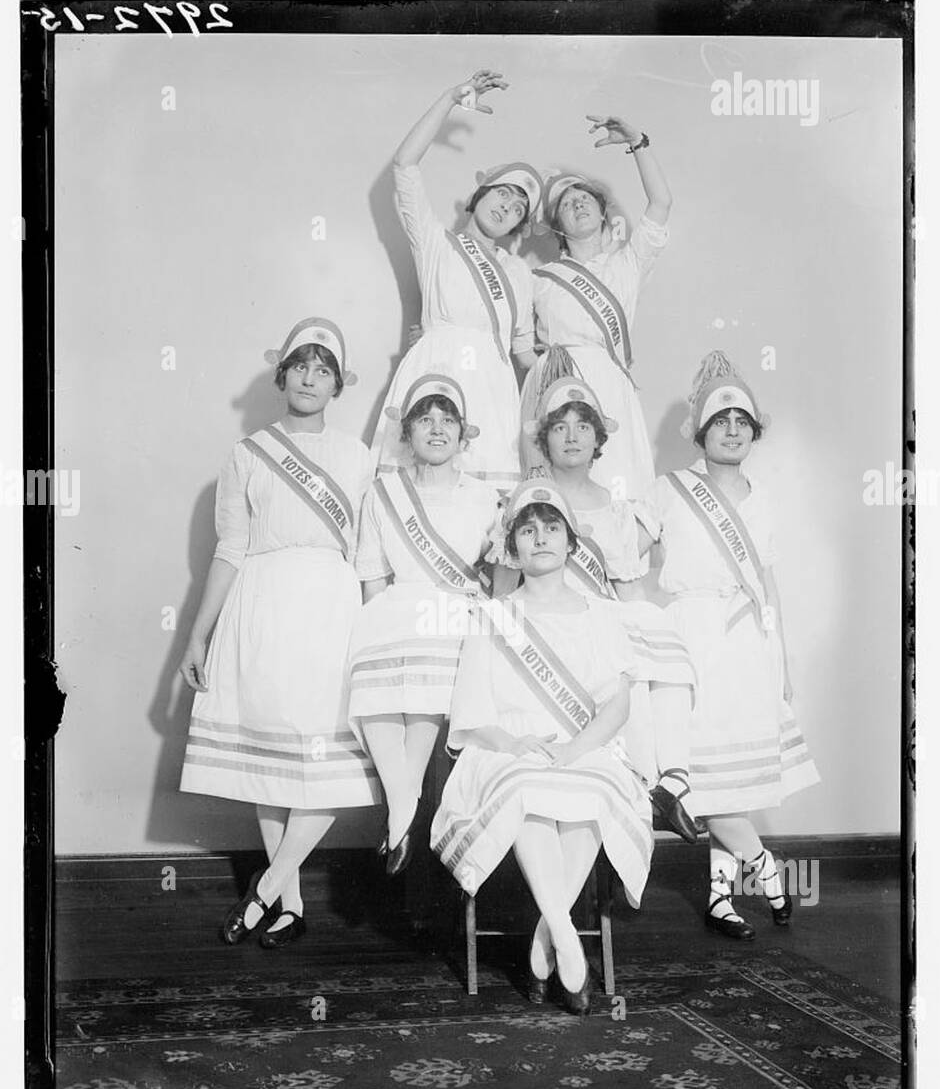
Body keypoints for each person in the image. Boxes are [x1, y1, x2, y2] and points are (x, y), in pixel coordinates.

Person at [431, 481, 675, 1016]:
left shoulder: (602, 614)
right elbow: (472, 714)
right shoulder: (491, 616)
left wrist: (575, 749)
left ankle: (547, 936)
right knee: (526, 787)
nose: (540, 537)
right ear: (511, 548)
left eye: (552, 527)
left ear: (571, 543)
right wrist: (514, 742)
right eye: (527, 528)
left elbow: (617, 704)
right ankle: (567, 940)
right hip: (508, 749)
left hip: (586, 746)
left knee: (595, 788)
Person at [179, 317, 381, 947]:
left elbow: (370, 555)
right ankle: (289, 902)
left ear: (337, 384)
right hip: (261, 604)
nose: (310, 379)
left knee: (326, 757)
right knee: (270, 755)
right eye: (302, 366)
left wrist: (376, 638)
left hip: (330, 604)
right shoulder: (247, 454)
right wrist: (197, 634)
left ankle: (265, 889)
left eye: (324, 370)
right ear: (283, 374)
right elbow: (230, 548)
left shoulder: (356, 456)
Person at [641, 352, 820, 939]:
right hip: (692, 636)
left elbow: (768, 585)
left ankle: (720, 899)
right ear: (701, 431)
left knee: (732, 780)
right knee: (707, 772)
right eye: (722, 421)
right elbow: (625, 553)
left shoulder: (763, 498)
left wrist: (783, 660)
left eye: (743, 421)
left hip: (751, 643)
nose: (733, 430)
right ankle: (768, 874)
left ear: (755, 431)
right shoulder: (669, 490)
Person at [496, 376, 698, 842]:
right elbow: (504, 590)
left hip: (601, 623)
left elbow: (626, 589)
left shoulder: (614, 507)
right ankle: (651, 781)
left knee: (653, 642)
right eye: (560, 427)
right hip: (549, 628)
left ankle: (672, 780)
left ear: (598, 439)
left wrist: (647, 639)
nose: (571, 436)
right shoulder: (525, 500)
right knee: (630, 662)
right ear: (543, 437)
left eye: (583, 426)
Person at [348, 374, 499, 876]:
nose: (437, 430)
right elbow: (371, 574)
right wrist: (374, 631)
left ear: (462, 435)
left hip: (457, 616)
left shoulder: (484, 497)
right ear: (407, 432)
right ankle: (406, 809)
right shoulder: (383, 492)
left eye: (447, 420)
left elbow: (498, 577)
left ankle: (399, 815)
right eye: (425, 420)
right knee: (373, 688)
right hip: (396, 608)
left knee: (426, 684)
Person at [370, 69, 542, 490]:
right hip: (435, 367)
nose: (508, 207)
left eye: (519, 208)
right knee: (414, 488)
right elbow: (404, 165)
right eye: (503, 193)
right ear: (480, 194)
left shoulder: (519, 273)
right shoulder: (434, 242)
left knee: (486, 505)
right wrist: (449, 99)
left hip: (492, 386)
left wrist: (569, 381)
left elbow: (523, 351)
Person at [520, 112, 672, 497]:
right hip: (553, 387)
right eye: (568, 204)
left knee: (617, 488)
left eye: (585, 199)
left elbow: (661, 202)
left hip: (609, 386)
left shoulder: (627, 263)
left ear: (603, 213)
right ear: (557, 225)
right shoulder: (537, 279)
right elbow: (516, 343)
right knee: (554, 499)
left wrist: (637, 142)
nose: (578, 205)